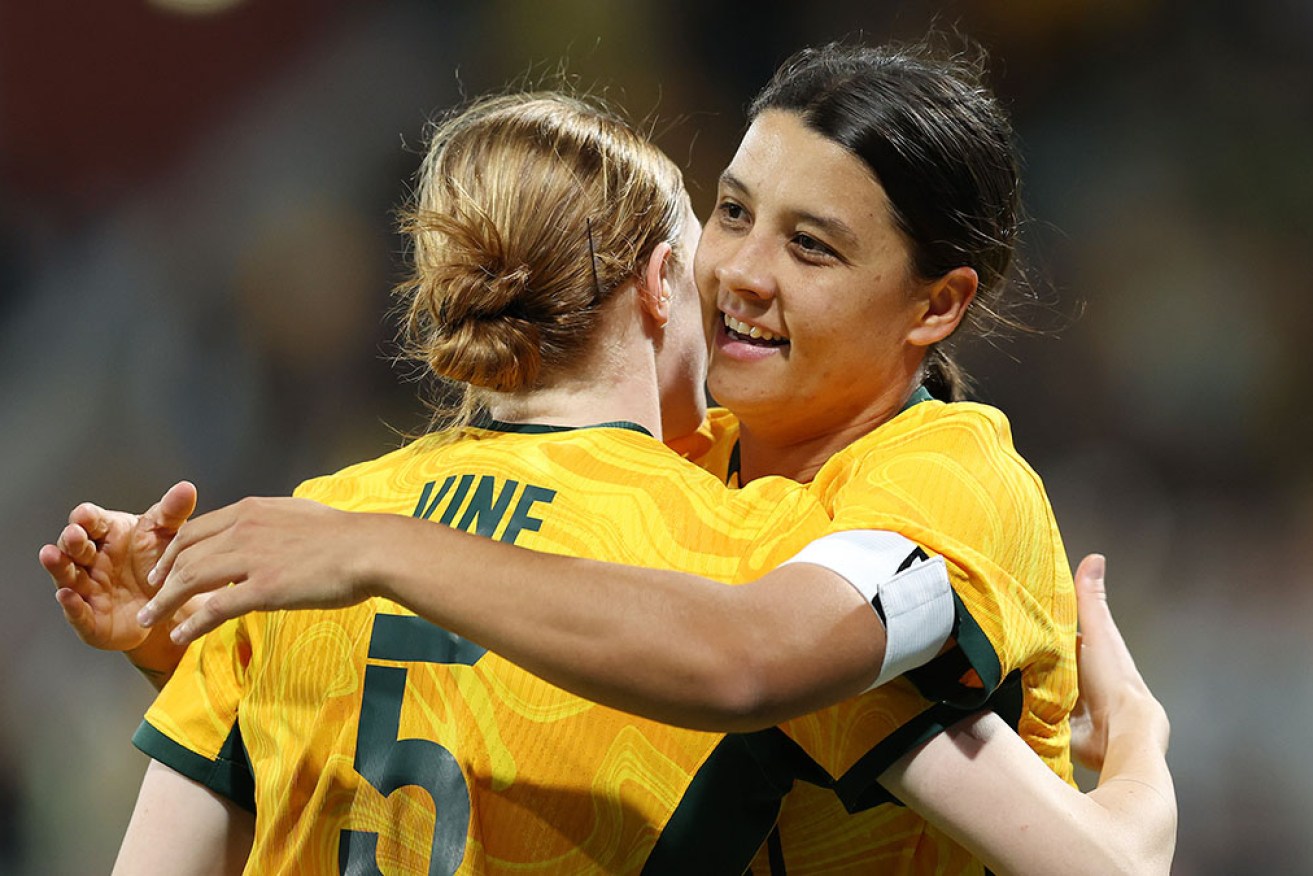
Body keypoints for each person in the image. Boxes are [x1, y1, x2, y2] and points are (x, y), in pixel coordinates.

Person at [45, 43, 1176, 875]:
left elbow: (744, 657)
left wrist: (1142, 763)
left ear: (936, 304)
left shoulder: (931, 487)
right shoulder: (712, 504)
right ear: (656, 278)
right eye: (730, 214)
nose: (738, 273)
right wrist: (222, 640)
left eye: (811, 246)